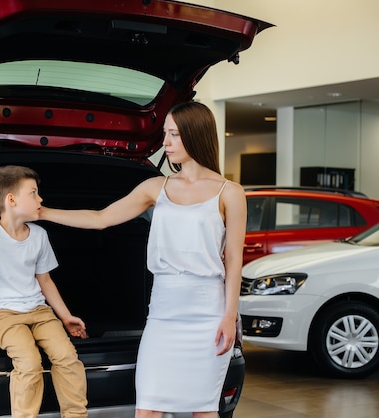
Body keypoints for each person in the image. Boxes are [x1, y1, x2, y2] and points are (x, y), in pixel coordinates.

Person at [39, 101, 246, 418]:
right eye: (165, 134)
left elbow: (233, 259)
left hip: (208, 314)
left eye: (174, 135)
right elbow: (101, 218)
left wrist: (229, 316)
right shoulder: (155, 187)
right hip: (163, 312)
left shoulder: (230, 192)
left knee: (203, 411)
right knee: (148, 409)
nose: (165, 143)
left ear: (196, 135)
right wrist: (44, 213)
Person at [0, 165, 88, 418]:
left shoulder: (39, 235)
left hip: (40, 312)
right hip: (5, 315)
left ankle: (76, 415)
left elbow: (45, 281)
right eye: (33, 193)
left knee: (67, 357)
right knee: (30, 364)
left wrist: (66, 317)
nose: (40, 199)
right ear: (11, 200)